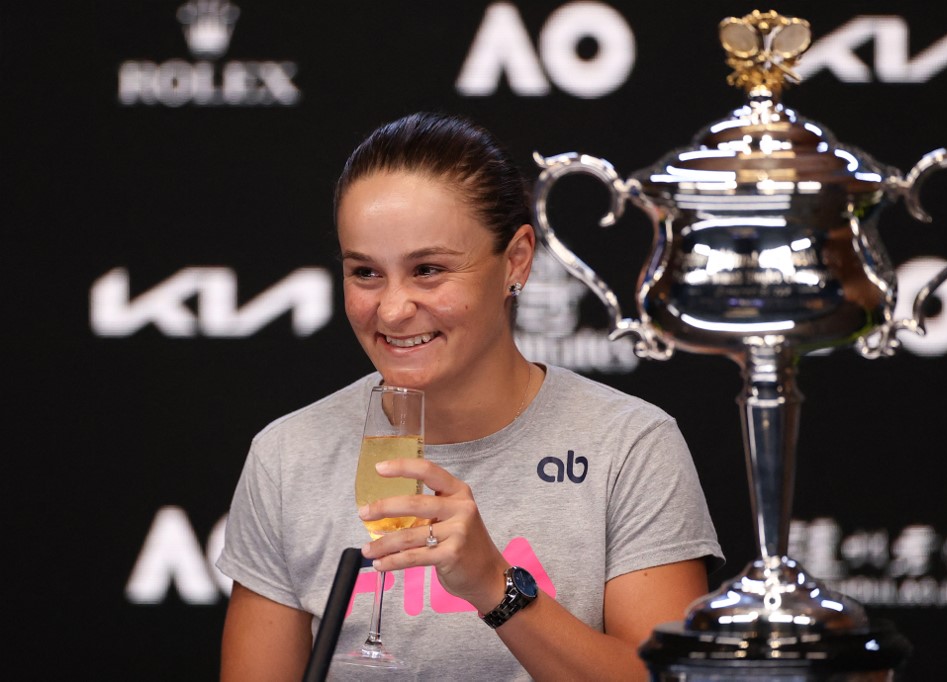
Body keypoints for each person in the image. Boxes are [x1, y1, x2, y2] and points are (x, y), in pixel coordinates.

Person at [217, 111, 723, 681]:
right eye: (365, 273)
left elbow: (670, 679)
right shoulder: (287, 455)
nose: (392, 309)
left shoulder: (629, 446)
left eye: (428, 270)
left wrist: (495, 587)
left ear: (516, 260)